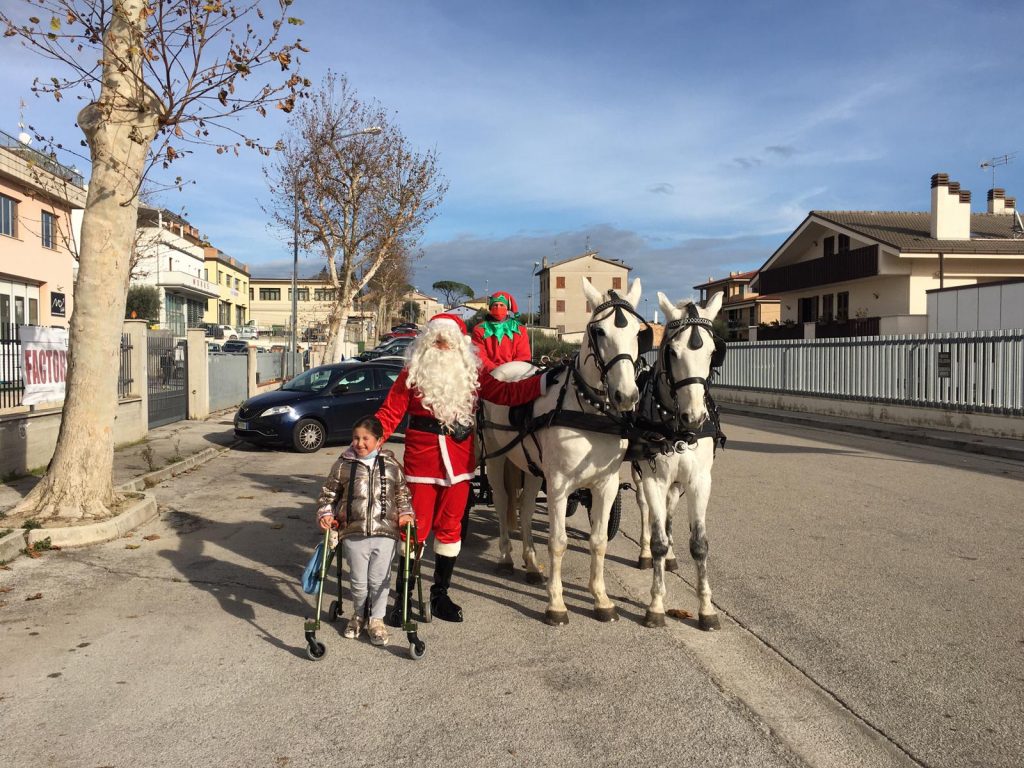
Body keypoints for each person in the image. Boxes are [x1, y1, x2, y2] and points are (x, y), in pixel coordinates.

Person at [375, 313, 551, 624]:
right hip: (422, 463)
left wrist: (543, 382)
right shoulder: (412, 373)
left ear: (460, 344)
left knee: (451, 530)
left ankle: (439, 594)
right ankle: (403, 597)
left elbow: (508, 394)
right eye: (437, 339)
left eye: (448, 340)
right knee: (414, 530)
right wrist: (367, 439)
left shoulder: (474, 375)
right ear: (427, 342)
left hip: (459, 464)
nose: (443, 345)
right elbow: (390, 412)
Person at [316, 415, 414, 646]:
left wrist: (406, 514)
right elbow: (328, 495)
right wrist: (325, 513)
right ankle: (359, 615)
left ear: (379, 440)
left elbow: (402, 495)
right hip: (354, 531)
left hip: (385, 532)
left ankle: (376, 621)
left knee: (380, 579)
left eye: (365, 439)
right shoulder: (343, 465)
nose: (359, 443)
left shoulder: (391, 465)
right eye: (356, 438)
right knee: (359, 581)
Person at [470, 291, 532, 373]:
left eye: (502, 305)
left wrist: (510, 373)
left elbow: (523, 356)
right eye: (495, 305)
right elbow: (480, 357)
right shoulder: (479, 330)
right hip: (489, 375)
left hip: (515, 375)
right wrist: (497, 372)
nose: (498, 307)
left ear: (507, 308)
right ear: (490, 308)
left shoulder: (520, 329)